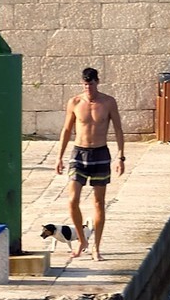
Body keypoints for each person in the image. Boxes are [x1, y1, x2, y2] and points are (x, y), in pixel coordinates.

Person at [54, 66, 126, 257]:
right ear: (82, 84)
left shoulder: (108, 102)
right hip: (79, 154)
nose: (89, 89)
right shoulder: (75, 102)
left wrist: (121, 156)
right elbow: (67, 130)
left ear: (97, 82)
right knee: (72, 200)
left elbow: (118, 129)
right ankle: (82, 240)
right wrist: (59, 157)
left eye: (92, 85)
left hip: (101, 154)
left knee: (98, 203)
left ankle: (96, 247)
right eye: (86, 85)